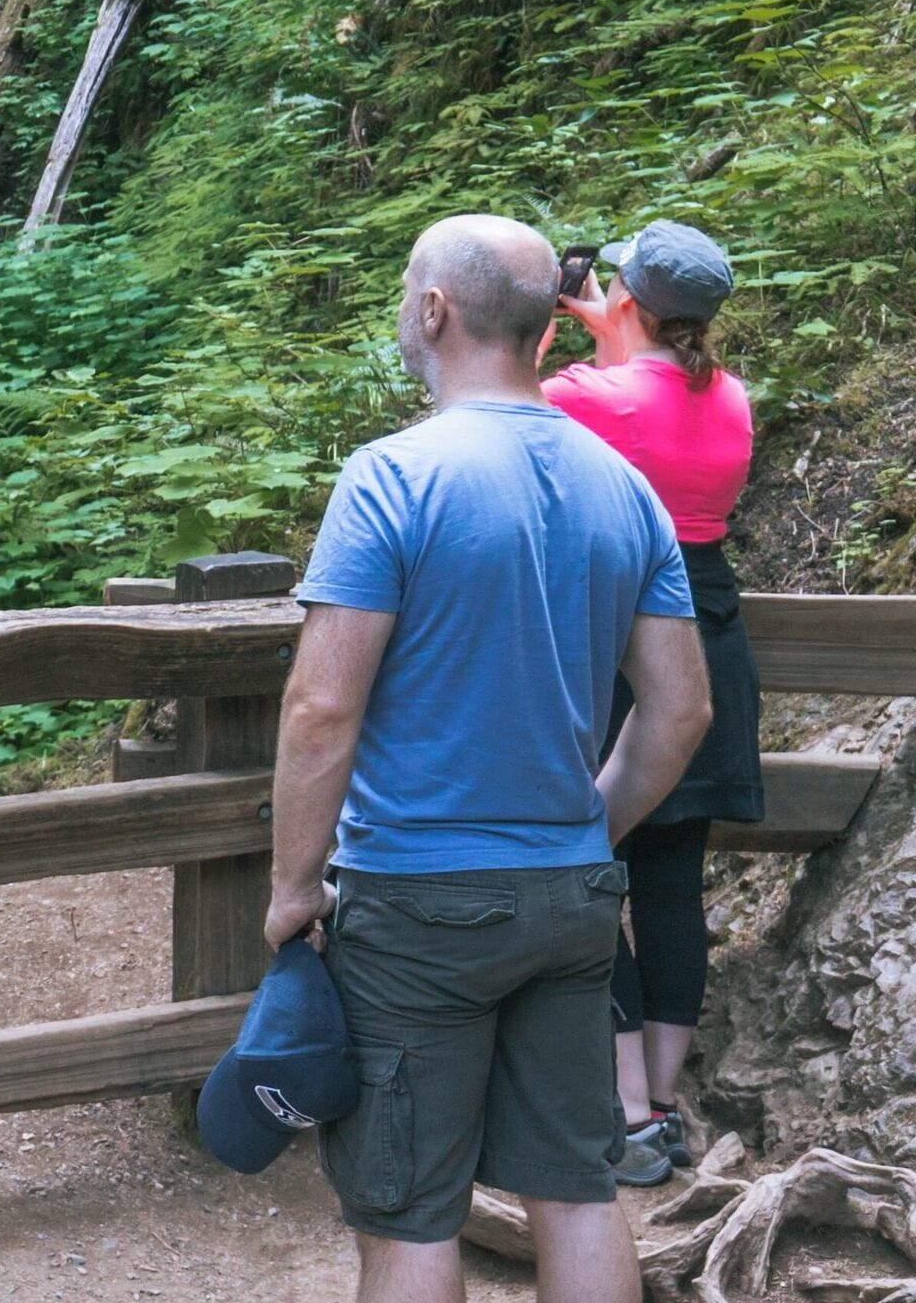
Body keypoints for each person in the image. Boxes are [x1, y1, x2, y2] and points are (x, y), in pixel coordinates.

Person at [266, 215, 715, 1303]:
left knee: (412, 1210)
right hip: (568, 900)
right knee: (576, 1186)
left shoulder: (390, 479)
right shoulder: (625, 489)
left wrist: (290, 887)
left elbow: (323, 705)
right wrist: (585, 832)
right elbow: (681, 712)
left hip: (417, 901)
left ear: (434, 311)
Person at [547, 221, 761, 1187]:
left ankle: (625, 1113)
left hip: (618, 636)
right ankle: (663, 1103)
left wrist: (560, 331)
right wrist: (616, 330)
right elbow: (657, 403)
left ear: (627, 297)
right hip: (709, 631)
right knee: (672, 881)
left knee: (587, 865)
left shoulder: (585, 395)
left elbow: (502, 401)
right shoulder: (735, 400)